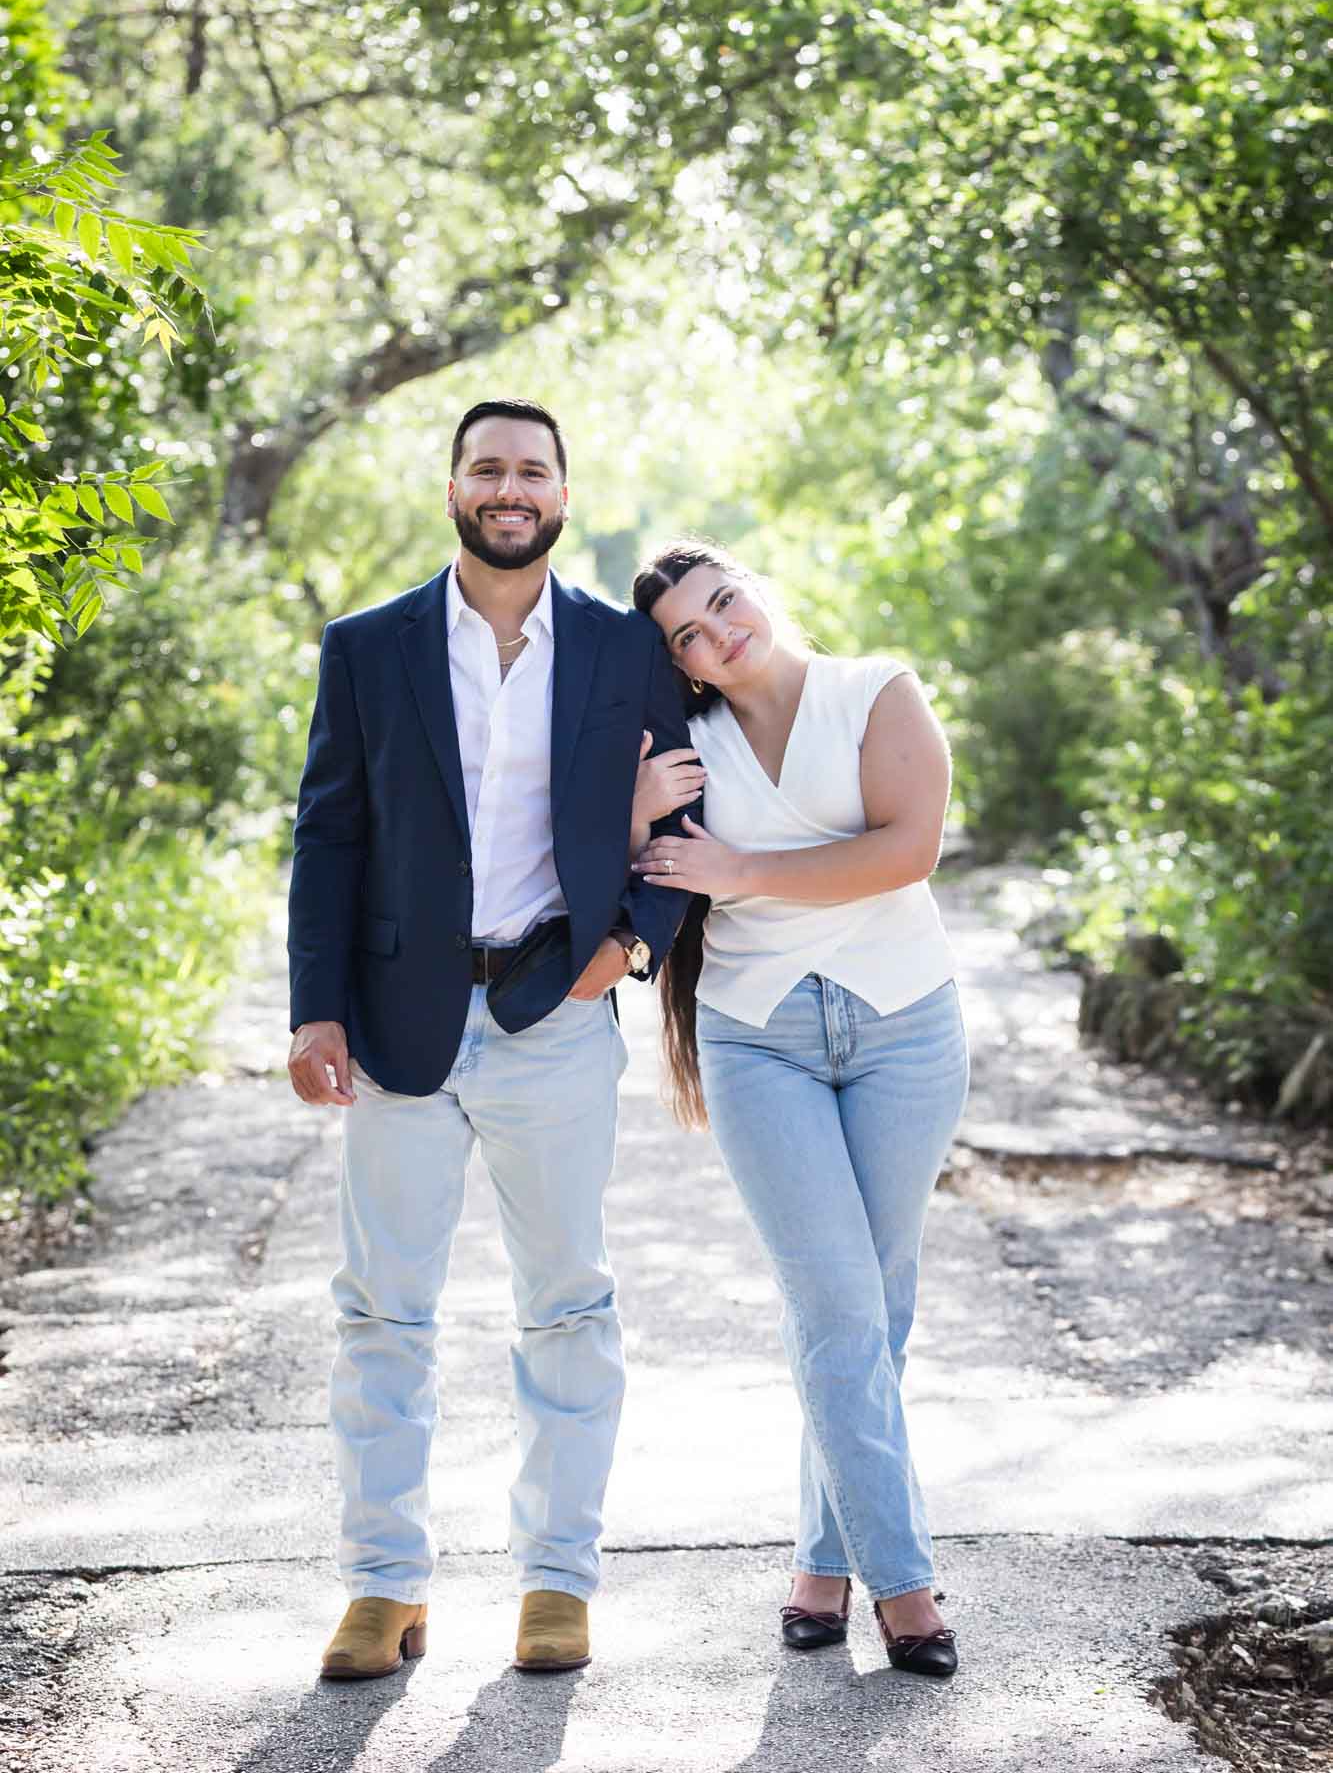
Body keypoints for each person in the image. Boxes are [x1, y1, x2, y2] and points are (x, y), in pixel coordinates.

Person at [286, 399, 690, 1681]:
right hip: (402, 1020)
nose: (508, 487)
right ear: (452, 485)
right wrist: (315, 1005)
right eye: (487, 467)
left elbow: (683, 817)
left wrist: (625, 948)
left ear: (563, 494)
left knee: (567, 1303)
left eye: (532, 469)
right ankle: (382, 1584)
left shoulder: (629, 650)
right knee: (382, 1312)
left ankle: (558, 1581)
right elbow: (329, 833)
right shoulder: (367, 645)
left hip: (551, 1013)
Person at [628, 539, 969, 1679]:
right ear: (680, 664)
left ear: (756, 589)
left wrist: (745, 871)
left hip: (905, 1026)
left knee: (877, 1305)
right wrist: (641, 818)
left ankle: (822, 1558)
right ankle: (905, 1585)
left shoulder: (877, 692)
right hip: (754, 1034)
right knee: (834, 1302)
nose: (718, 629)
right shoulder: (687, 748)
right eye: (688, 631)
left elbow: (906, 850)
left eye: (723, 600)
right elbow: (644, 873)